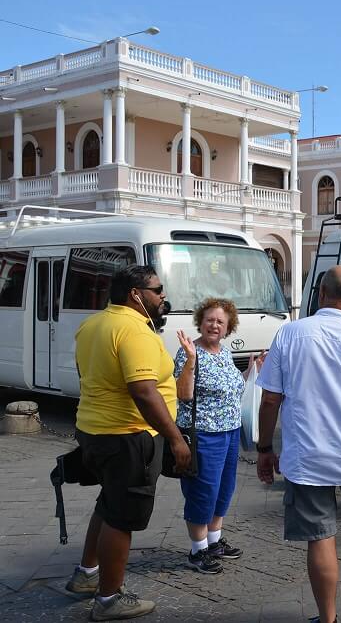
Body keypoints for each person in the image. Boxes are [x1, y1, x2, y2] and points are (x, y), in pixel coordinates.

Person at [256, 266, 341, 623]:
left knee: (320, 536)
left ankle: (328, 618)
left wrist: (264, 449)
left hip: (307, 456)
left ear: (320, 292)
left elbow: (270, 400)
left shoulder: (290, 334)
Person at [66, 265, 190, 621]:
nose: (163, 296)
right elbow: (144, 392)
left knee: (109, 504)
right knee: (122, 518)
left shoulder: (92, 325)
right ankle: (108, 599)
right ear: (136, 294)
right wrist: (176, 438)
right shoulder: (134, 330)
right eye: (158, 289)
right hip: (128, 437)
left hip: (94, 431)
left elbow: (88, 376)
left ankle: (87, 575)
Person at [174, 298, 263, 574]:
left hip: (229, 432)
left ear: (228, 327)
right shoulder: (189, 352)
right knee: (203, 491)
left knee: (223, 489)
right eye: (209, 320)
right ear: (200, 322)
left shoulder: (224, 352)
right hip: (203, 434)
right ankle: (197, 550)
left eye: (220, 322)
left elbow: (230, 387)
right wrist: (190, 361)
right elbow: (183, 394)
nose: (214, 325)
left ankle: (214, 542)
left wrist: (251, 371)